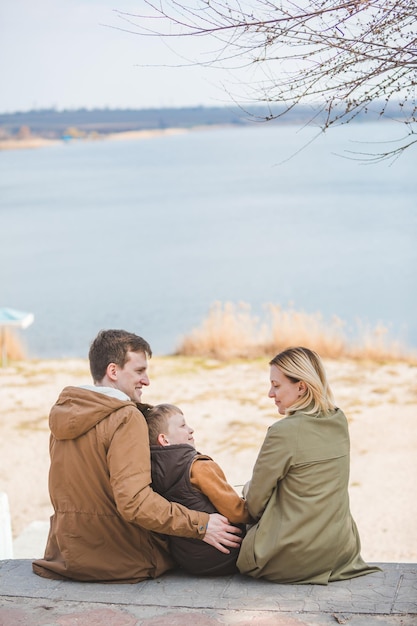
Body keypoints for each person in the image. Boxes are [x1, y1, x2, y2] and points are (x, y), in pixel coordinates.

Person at [32, 329, 242, 583]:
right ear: (113, 371)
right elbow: (135, 503)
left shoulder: (65, 415)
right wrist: (200, 525)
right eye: (140, 371)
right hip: (121, 558)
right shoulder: (126, 416)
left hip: (67, 555)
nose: (147, 381)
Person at [237, 347, 381, 585]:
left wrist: (246, 488)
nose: (270, 393)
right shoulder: (339, 419)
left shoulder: (283, 432)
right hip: (341, 554)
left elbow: (253, 504)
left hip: (291, 558)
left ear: (301, 387)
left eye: (276, 385)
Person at [145, 403, 252, 575]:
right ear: (164, 439)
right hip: (224, 553)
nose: (191, 429)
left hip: (187, 559)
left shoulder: (148, 471)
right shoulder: (198, 466)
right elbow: (236, 512)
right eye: (182, 425)